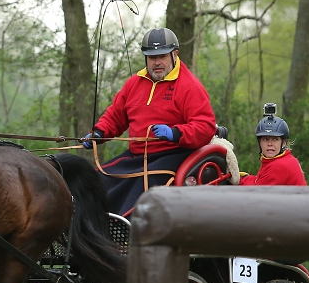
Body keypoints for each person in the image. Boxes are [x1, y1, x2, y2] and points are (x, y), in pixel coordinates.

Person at [82, 27, 217, 216]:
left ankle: (124, 230)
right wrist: (99, 133)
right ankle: (97, 230)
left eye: (162, 56)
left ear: (174, 54)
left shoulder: (189, 86)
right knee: (96, 179)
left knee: (140, 185)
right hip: (137, 155)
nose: (157, 62)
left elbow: (206, 126)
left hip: (174, 154)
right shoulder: (134, 83)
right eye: (152, 57)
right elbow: (116, 115)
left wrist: (175, 133)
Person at [239, 107, 307, 186]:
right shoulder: (279, 160)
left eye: (275, 139)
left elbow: (257, 190)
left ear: (284, 143)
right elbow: (259, 180)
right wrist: (243, 177)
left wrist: (239, 181)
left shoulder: (280, 165)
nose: (270, 144)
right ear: (260, 142)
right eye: (265, 139)